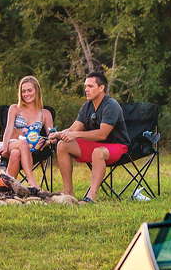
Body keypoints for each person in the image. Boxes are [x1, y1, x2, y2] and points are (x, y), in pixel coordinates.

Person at [49, 70, 129, 202]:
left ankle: (91, 197)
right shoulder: (87, 107)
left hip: (117, 146)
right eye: (85, 86)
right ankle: (68, 193)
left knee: (98, 152)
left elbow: (102, 134)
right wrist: (56, 135)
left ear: (101, 88)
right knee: (62, 145)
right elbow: (73, 129)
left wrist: (76, 135)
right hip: (97, 145)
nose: (86, 89)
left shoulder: (111, 106)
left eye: (90, 86)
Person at [0, 76, 54, 190]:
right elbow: (8, 130)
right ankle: (32, 182)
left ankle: (7, 188)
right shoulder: (15, 109)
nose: (26, 94)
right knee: (21, 145)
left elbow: (52, 137)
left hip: (31, 149)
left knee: (15, 153)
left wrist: (43, 144)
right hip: (10, 143)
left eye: (29, 90)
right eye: (23, 91)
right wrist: (4, 145)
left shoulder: (45, 113)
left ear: (37, 91)